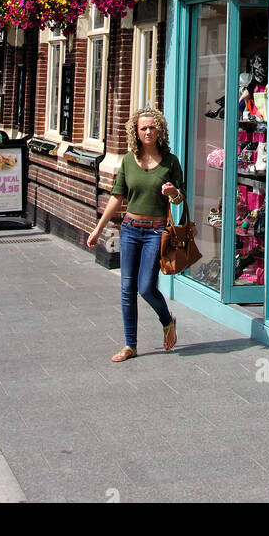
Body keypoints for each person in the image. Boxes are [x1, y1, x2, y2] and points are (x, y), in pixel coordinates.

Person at [87, 106, 184, 361]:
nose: (148, 131)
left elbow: (181, 196)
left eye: (153, 127)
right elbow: (117, 197)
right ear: (136, 132)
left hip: (156, 231)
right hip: (130, 229)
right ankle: (130, 345)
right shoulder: (129, 160)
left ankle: (167, 320)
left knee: (146, 287)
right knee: (126, 288)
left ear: (159, 129)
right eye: (144, 128)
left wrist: (172, 192)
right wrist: (98, 229)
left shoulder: (171, 161)